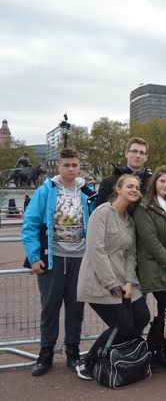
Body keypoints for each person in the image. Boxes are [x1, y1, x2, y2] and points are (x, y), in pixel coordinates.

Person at [21, 148, 96, 376]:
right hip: (52, 258)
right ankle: (46, 354)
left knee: (76, 308)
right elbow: (31, 224)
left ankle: (73, 351)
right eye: (66, 165)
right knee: (50, 308)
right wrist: (34, 257)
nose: (71, 169)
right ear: (59, 166)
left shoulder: (88, 191)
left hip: (80, 259)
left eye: (74, 165)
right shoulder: (46, 191)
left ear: (79, 165)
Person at [75, 174, 150, 380]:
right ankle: (89, 361)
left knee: (142, 316)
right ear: (118, 189)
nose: (135, 190)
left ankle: (121, 355)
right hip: (100, 281)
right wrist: (112, 283)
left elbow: (130, 254)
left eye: (137, 187)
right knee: (123, 326)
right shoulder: (102, 213)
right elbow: (95, 250)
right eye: (130, 186)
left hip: (124, 280)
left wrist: (128, 281)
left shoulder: (129, 220)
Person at [133, 166, 166, 372]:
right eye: (162, 181)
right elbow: (151, 241)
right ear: (154, 183)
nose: (165, 185)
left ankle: (159, 351)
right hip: (156, 266)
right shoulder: (144, 207)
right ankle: (151, 351)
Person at [96, 137, 152, 207]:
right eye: (134, 151)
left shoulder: (152, 182)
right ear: (126, 153)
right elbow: (101, 210)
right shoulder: (109, 181)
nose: (138, 156)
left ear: (146, 157)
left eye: (142, 152)